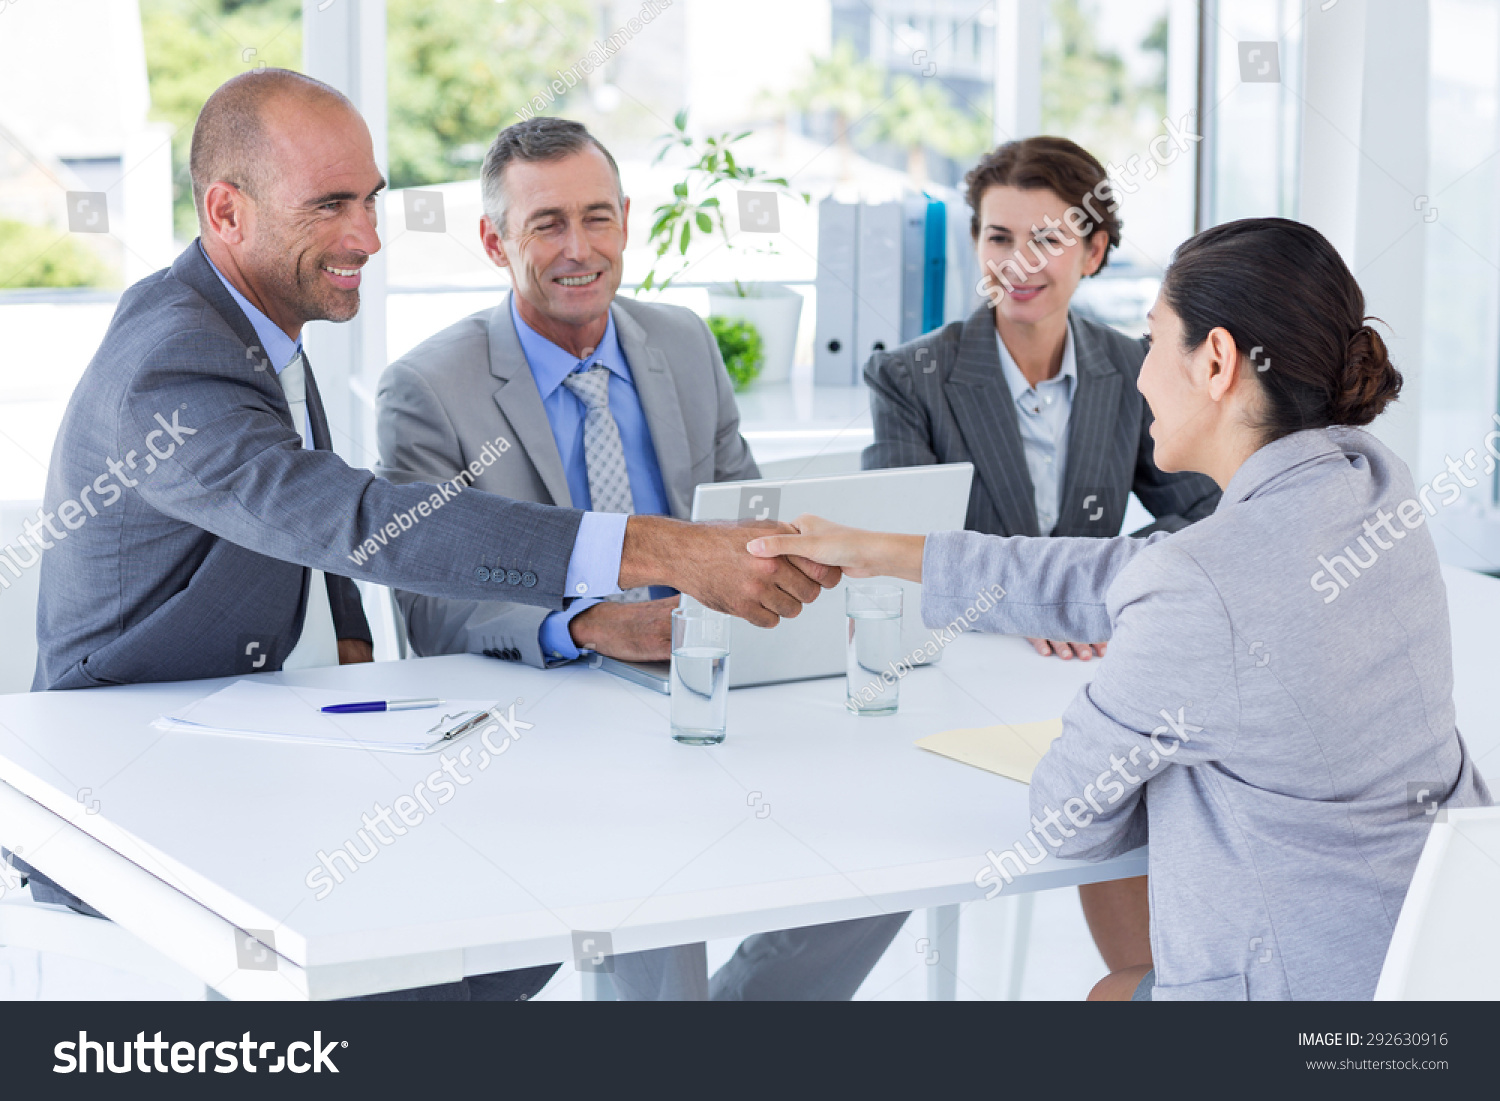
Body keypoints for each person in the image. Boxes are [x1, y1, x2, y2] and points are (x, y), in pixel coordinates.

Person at [24, 69, 838, 1001]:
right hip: (124, 778)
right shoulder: (173, 359)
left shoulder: (247, 318)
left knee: (538, 889)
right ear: (227, 211)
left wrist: (360, 647)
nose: (368, 237)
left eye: (371, 201)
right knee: (508, 904)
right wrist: (650, 548)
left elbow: (295, 515)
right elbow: (350, 515)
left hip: (250, 725)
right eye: (330, 205)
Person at [747, 217, 1492, 1000]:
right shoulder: (1373, 482)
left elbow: (1066, 819)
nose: (1138, 376)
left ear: (1215, 361)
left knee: (1109, 991)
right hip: (1442, 976)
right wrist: (887, 552)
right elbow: (1129, 569)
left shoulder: (1200, 588)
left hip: (1311, 1007)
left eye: (1153, 340)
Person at [376, 116, 906, 1000]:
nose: (578, 248)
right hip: (551, 718)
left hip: (711, 681)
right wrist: (595, 625)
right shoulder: (430, 389)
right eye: (546, 224)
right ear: (492, 239)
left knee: (887, 836)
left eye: (597, 217)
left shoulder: (685, 344)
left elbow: (749, 525)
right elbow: (435, 611)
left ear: (626, 218)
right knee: (645, 861)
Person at [862, 136, 1221, 978]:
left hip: (1093, 675)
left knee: (1154, 821)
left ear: (1093, 249)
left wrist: (1105, 587)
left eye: (1048, 238)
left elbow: (1208, 515)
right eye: (996, 237)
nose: (1017, 262)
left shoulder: (1134, 367)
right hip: (960, 679)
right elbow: (905, 550)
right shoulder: (910, 378)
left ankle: (1158, 986)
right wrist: (1041, 598)